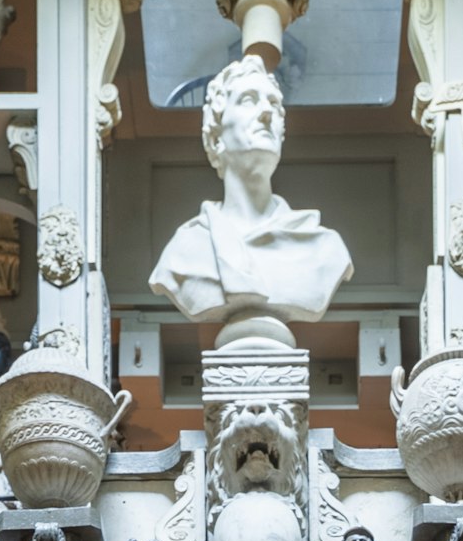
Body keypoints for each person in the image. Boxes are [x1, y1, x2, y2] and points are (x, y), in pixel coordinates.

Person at [145, 54, 352, 334]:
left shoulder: (324, 247)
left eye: (274, 104)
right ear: (216, 137)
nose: (267, 113)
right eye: (248, 100)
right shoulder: (185, 252)